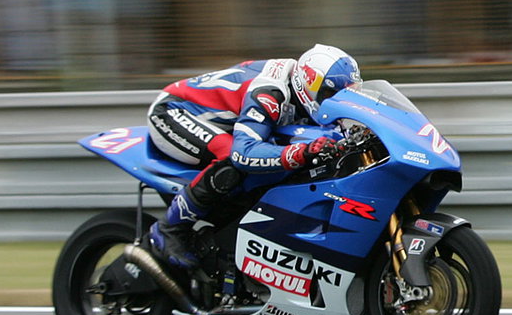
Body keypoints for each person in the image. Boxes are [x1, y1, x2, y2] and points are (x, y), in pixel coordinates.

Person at [146, 44, 362, 270]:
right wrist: (303, 152)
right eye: (331, 94)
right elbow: (244, 152)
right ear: (309, 84)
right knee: (228, 156)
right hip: (173, 112)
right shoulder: (269, 92)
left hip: (223, 122)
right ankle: (169, 228)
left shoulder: (301, 91)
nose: (336, 101)